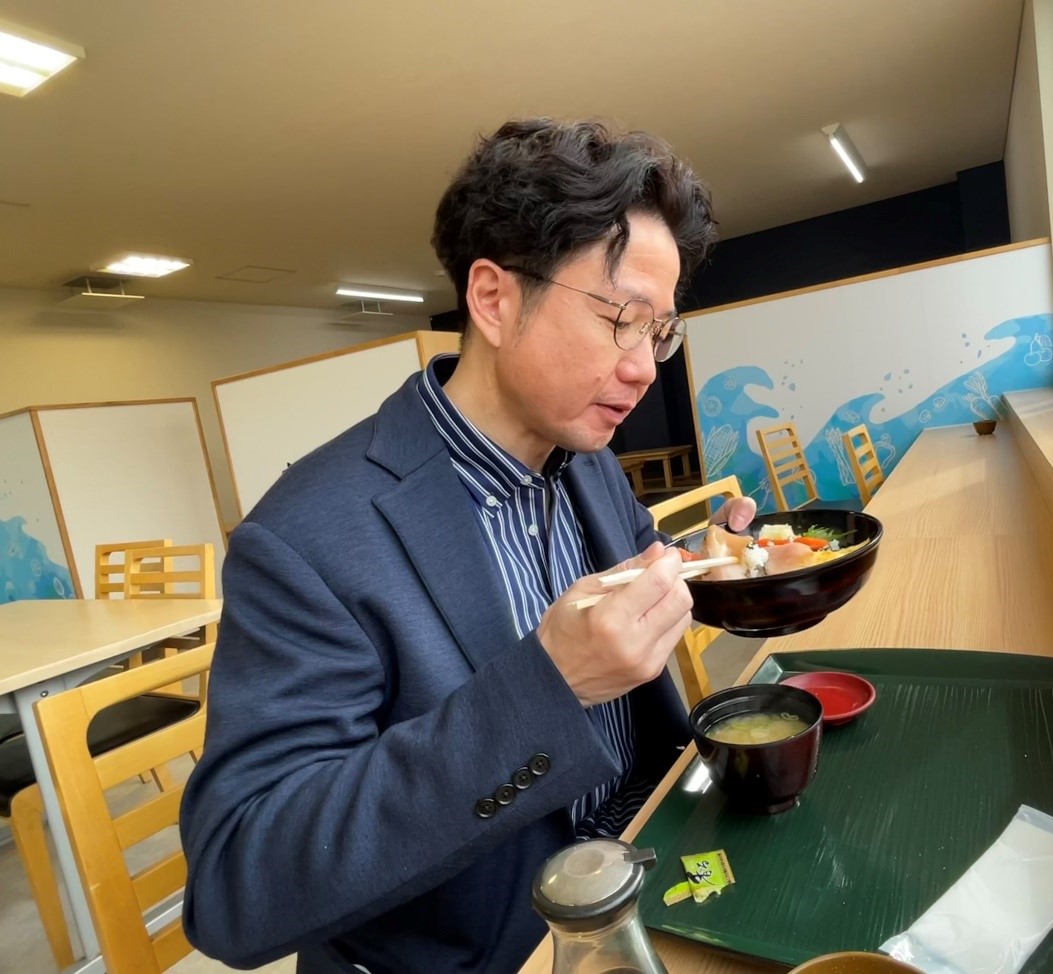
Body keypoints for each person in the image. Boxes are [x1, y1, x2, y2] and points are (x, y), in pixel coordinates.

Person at [179, 118, 756, 974]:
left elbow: (636, 567)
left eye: (660, 332)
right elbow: (237, 886)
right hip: (501, 947)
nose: (645, 367)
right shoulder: (305, 538)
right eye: (622, 321)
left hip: (653, 858)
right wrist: (547, 686)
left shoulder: (585, 458)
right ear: (492, 299)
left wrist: (714, 565)